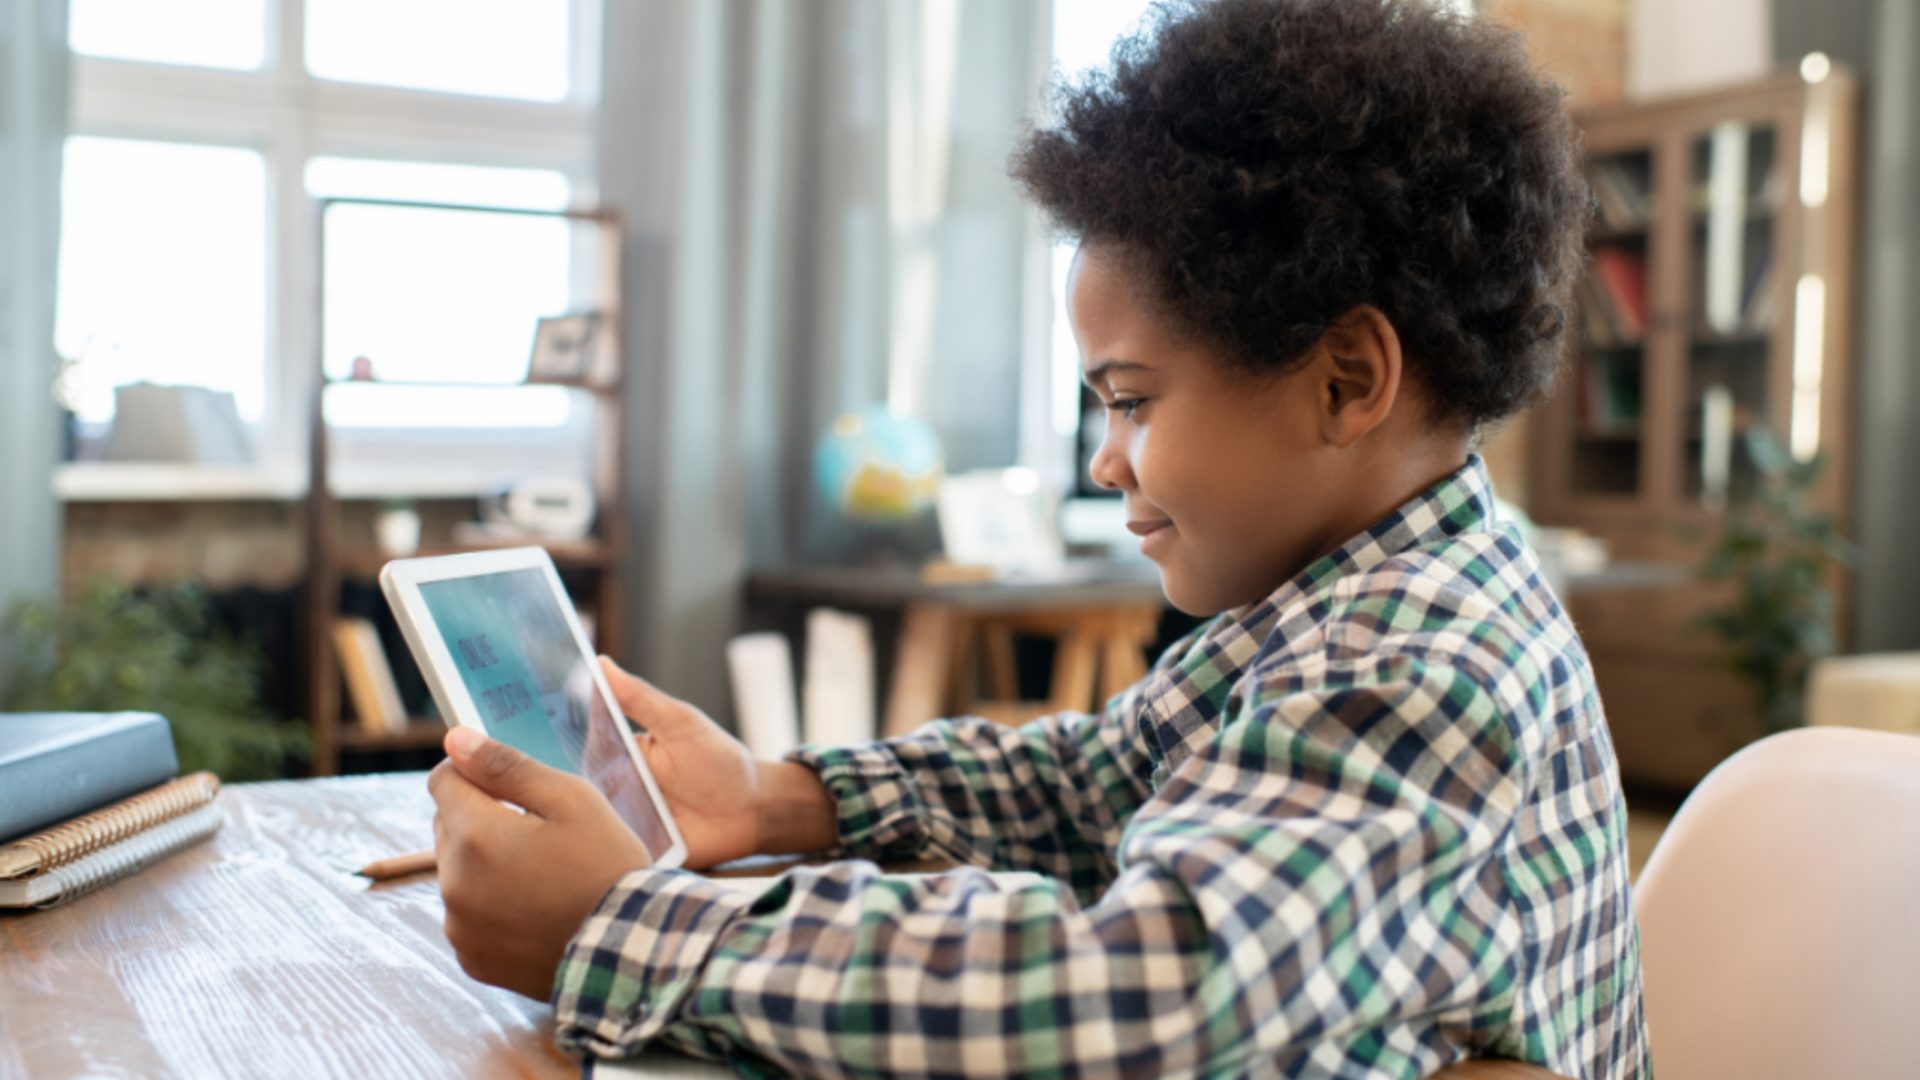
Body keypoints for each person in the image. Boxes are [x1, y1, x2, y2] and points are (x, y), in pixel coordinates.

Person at [425, 0, 1647, 1075]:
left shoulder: (1421, 665)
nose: (1108, 458)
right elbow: (1090, 786)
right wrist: (781, 798)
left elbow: (1142, 993)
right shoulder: (1324, 600)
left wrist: (620, 930)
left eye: (1132, 399)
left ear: (1344, 379)